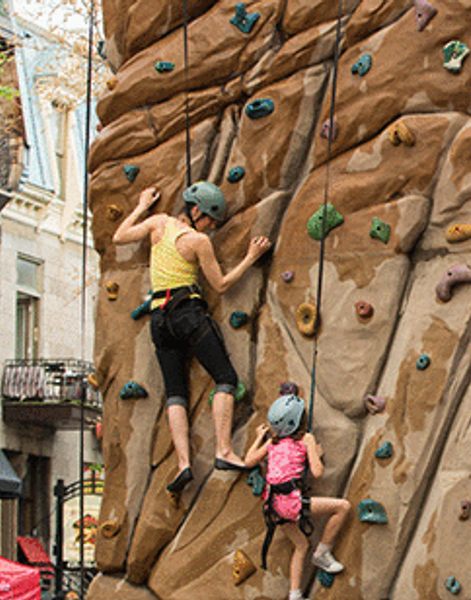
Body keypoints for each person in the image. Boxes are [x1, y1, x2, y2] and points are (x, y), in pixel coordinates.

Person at [111, 182, 272, 493]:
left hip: (159, 317)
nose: (212, 225)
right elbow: (222, 284)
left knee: (175, 392)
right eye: (210, 217)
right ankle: (223, 451)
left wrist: (143, 205)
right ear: (195, 210)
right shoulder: (197, 242)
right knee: (225, 377)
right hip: (188, 312)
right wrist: (252, 256)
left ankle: (184, 462)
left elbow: (120, 235)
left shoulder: (158, 224)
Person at [245, 393, 350, 600]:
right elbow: (318, 472)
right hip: (291, 503)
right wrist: (316, 455)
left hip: (273, 506)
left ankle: (295, 595)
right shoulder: (306, 439)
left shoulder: (272, 443)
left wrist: (259, 436)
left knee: (301, 546)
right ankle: (322, 553)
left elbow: (248, 461)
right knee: (343, 507)